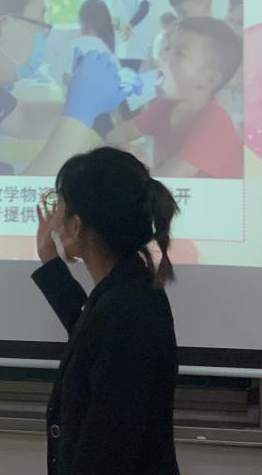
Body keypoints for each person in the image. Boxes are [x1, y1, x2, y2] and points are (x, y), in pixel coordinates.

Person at [33, 147, 180, 475]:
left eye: (59, 208)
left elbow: (109, 446)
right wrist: (51, 264)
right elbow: (89, 333)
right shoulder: (125, 291)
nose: (55, 220)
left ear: (76, 226)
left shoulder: (130, 309)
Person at [0, 0, 127, 176]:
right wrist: (81, 112)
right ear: (0, 28)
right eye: (40, 23)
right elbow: (19, 191)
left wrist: (86, 105)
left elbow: (24, 118)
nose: (43, 36)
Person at [107, 17, 243, 178]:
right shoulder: (164, 108)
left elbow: (167, 179)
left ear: (210, 80)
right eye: (167, 48)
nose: (162, 56)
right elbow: (114, 136)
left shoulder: (216, 121)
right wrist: (126, 150)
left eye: (180, 54)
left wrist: (129, 162)